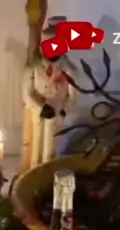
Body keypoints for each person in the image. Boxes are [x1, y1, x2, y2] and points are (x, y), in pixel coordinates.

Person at [21, 15, 78, 170]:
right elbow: (27, 92)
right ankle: (32, 174)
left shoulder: (68, 69)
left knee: (50, 152)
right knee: (35, 150)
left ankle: (47, 175)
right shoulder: (34, 66)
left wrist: (63, 111)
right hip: (38, 113)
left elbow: (73, 95)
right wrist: (40, 107)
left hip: (56, 115)